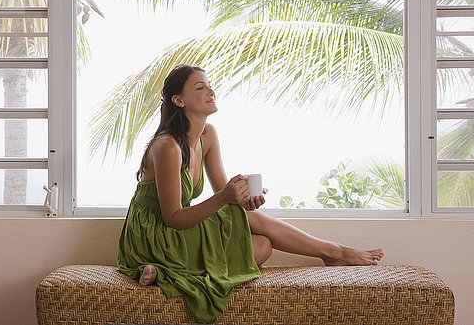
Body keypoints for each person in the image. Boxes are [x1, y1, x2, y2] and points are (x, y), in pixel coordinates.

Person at [117, 63, 384, 323]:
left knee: (263, 246)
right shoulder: (167, 146)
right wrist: (225, 198)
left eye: (210, 85)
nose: (211, 91)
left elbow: (224, 193)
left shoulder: (207, 135)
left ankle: (167, 271)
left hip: (177, 232)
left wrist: (244, 198)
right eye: (200, 87)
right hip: (153, 233)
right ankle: (333, 251)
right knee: (249, 225)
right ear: (178, 100)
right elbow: (173, 217)